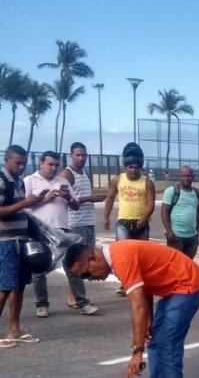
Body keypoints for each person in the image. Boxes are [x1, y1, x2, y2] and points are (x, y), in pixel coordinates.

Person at [65, 240, 199, 378]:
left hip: (189, 283)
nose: (90, 278)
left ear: (93, 258)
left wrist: (137, 351)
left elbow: (138, 306)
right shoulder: (116, 257)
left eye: (86, 273)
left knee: (167, 344)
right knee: (153, 339)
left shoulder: (121, 259)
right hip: (175, 288)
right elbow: (143, 289)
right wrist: (148, 320)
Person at [24, 150, 98, 318]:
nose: (53, 168)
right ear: (41, 164)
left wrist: (68, 198)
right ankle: (42, 304)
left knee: (73, 266)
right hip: (39, 231)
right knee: (39, 269)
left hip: (62, 230)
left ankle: (82, 302)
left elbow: (75, 206)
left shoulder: (62, 181)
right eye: (50, 164)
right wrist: (46, 199)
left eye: (56, 165)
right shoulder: (30, 181)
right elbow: (24, 206)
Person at [0, 145, 44, 348]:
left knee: (19, 287)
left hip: (20, 240)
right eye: (17, 163)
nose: (21, 167)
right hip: (6, 242)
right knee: (4, 288)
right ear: (6, 160)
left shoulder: (18, 181)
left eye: (24, 163)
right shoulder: (2, 180)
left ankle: (14, 329)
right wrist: (25, 203)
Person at [60, 142, 106, 314]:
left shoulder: (84, 172)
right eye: (78, 155)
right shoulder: (67, 173)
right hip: (75, 224)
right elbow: (66, 199)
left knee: (86, 261)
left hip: (88, 222)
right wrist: (90, 198)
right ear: (71, 155)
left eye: (84, 155)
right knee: (77, 262)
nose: (81, 158)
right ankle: (80, 300)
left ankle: (72, 296)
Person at [104, 143, 155, 295]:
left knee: (140, 256)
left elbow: (151, 203)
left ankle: (139, 283)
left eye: (136, 167)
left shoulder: (147, 182)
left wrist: (145, 217)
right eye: (130, 167)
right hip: (123, 223)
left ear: (141, 167)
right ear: (125, 167)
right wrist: (106, 217)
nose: (133, 170)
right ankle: (125, 283)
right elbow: (110, 198)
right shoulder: (118, 180)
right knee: (124, 255)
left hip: (141, 224)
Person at [160, 166, 199, 259]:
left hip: (192, 237)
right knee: (175, 265)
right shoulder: (171, 191)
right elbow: (164, 213)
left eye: (189, 176)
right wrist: (169, 232)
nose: (187, 178)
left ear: (193, 177)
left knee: (187, 265)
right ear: (180, 177)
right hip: (176, 237)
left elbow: (198, 214)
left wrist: (197, 232)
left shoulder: (196, 193)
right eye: (184, 176)